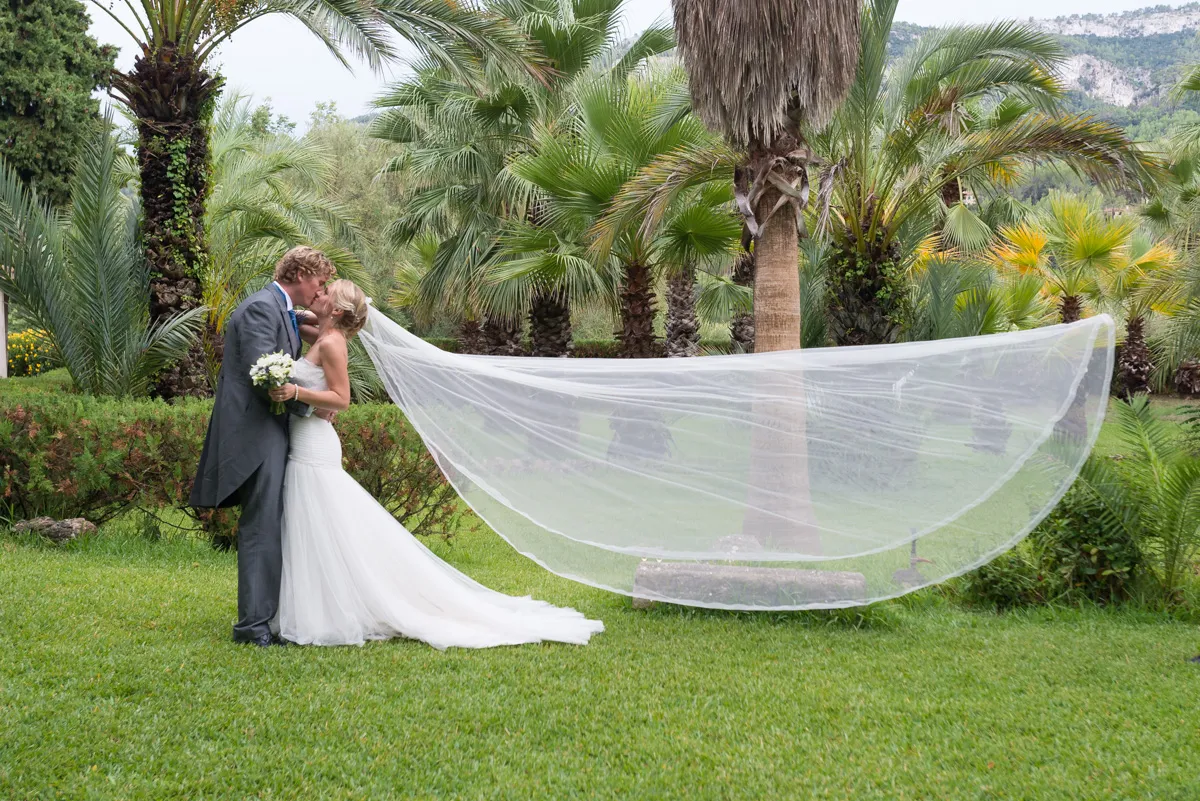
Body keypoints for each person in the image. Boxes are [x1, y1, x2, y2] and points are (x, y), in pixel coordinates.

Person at [267, 279, 604, 649]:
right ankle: (324, 603)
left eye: (327, 292)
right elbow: (303, 324)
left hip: (313, 444)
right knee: (321, 523)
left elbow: (342, 398)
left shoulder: (332, 343)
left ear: (337, 310)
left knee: (322, 520)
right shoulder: (326, 334)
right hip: (306, 437)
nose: (320, 293)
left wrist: (295, 391)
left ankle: (332, 609)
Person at [190, 246, 336, 647]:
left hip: (272, 432)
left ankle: (266, 620)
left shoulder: (281, 308)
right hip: (255, 435)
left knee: (271, 526)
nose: (320, 289)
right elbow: (266, 378)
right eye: (319, 281)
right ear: (302, 273)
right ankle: (253, 627)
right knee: (261, 528)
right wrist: (313, 406)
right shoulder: (261, 308)